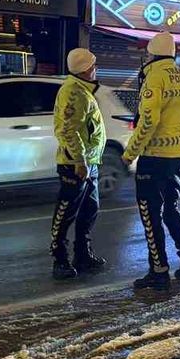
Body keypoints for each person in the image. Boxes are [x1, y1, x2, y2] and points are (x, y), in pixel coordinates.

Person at [124, 32, 180, 290]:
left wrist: (130, 153)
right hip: (179, 156)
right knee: (171, 209)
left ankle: (158, 271)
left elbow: (148, 121)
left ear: (152, 54)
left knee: (150, 214)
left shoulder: (154, 77)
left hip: (154, 157)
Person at [49, 48, 108, 280]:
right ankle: (60, 259)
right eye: (93, 66)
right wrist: (79, 161)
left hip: (89, 162)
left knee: (89, 210)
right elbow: (68, 131)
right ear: (84, 69)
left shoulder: (83, 90)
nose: (96, 69)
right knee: (66, 213)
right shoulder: (74, 93)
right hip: (75, 164)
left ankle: (83, 254)